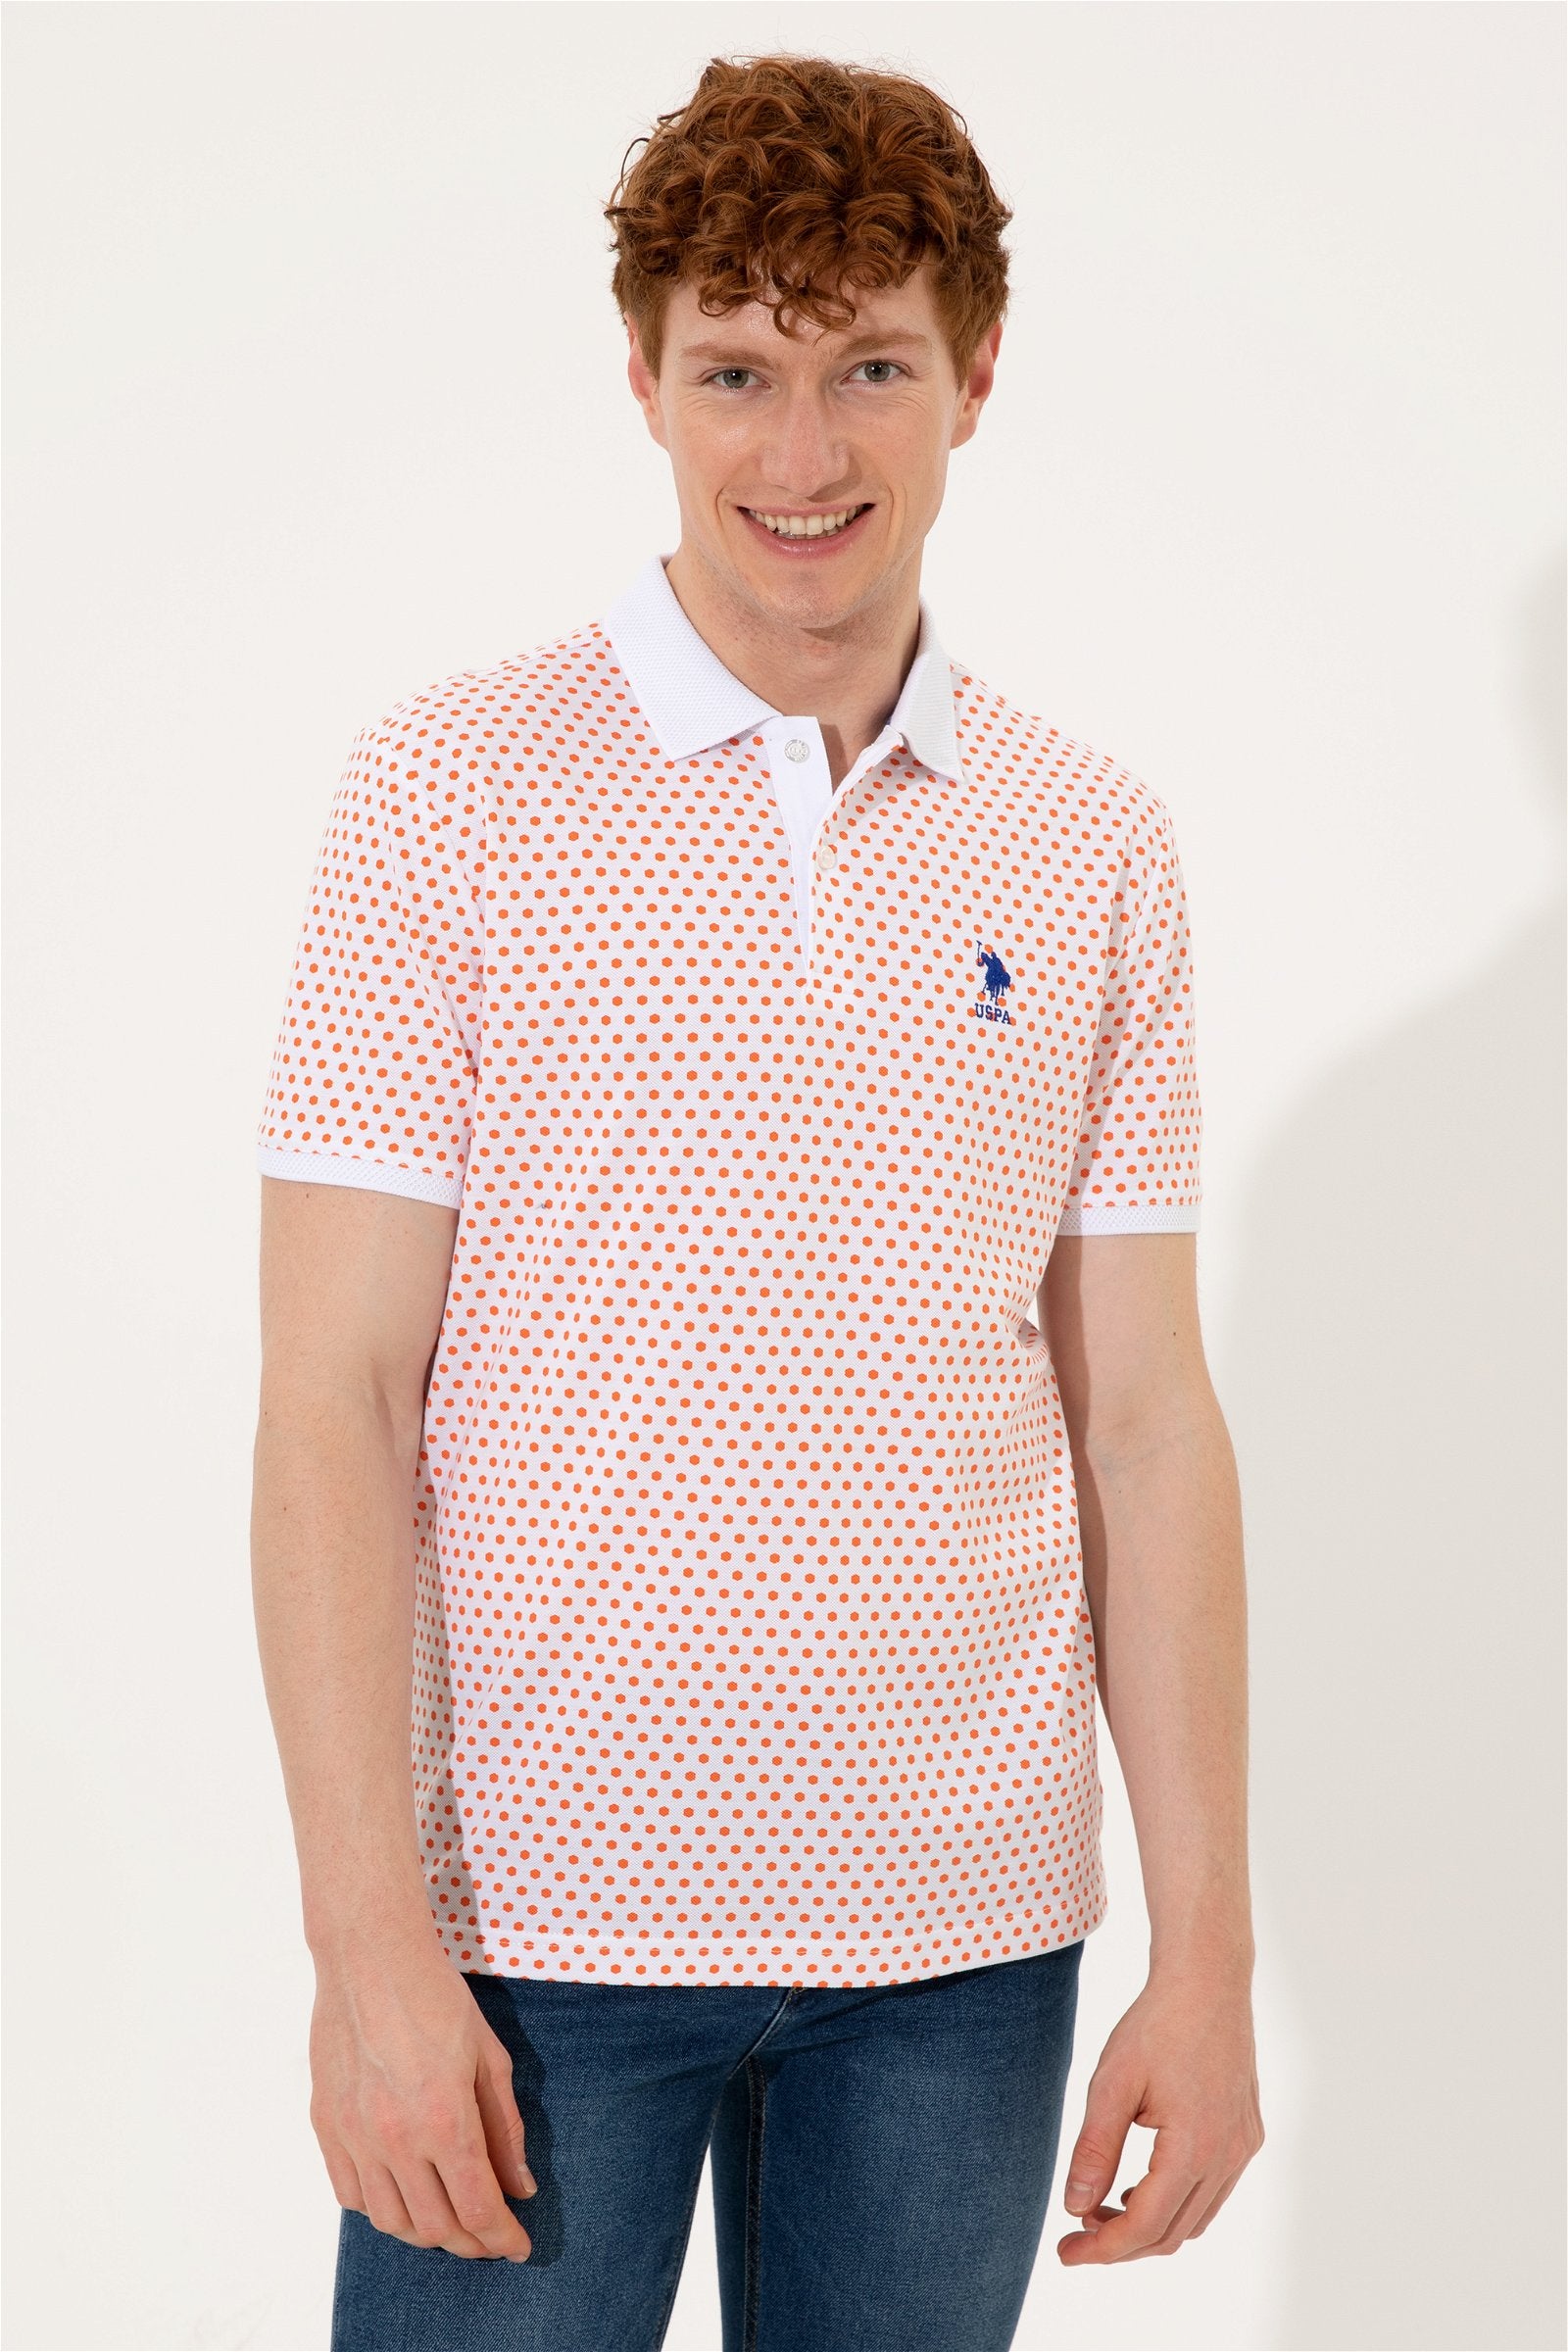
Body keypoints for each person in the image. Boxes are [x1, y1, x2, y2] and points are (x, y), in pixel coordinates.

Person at [250, 50, 1262, 2352]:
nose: (800, 453)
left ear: (973, 377)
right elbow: (332, 1397)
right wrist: (364, 1949)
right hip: (532, 1931)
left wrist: (1202, 1955)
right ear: (643, 382)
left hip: (964, 1941)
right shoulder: (448, 790)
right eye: (735, 371)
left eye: (867, 367)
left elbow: (1142, 1423)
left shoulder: (1088, 838)